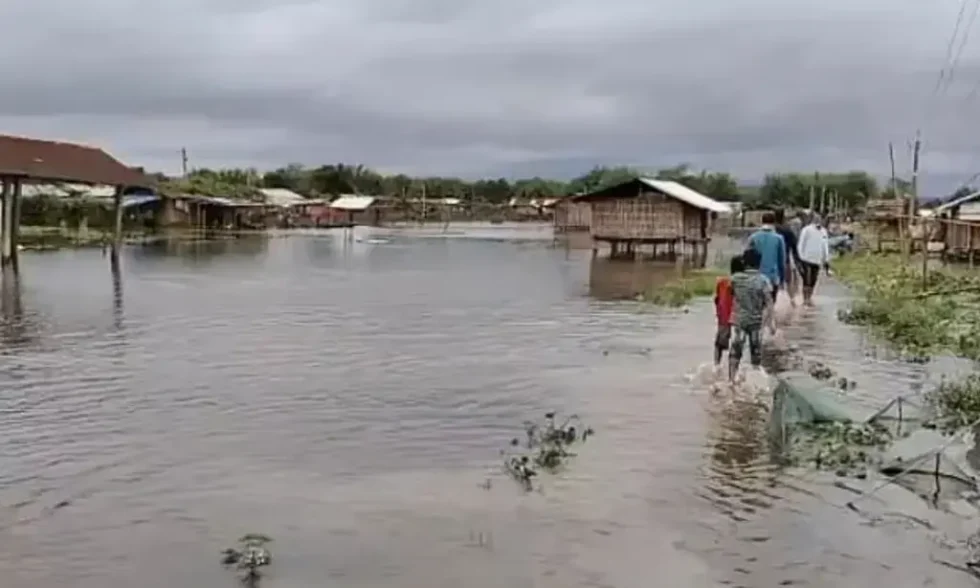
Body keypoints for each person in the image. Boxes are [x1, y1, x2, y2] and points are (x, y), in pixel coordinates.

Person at [729, 247, 772, 380]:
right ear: (759, 263)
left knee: (736, 351)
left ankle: (731, 379)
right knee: (756, 353)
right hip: (756, 322)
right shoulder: (763, 280)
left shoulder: (735, 279)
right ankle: (755, 380)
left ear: (744, 263)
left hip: (740, 321)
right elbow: (769, 304)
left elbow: (731, 294)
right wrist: (769, 323)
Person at [747, 212, 785, 330]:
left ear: (761, 221)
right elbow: (781, 260)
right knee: (770, 303)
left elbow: (747, 257)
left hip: (755, 276)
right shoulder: (778, 239)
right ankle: (766, 327)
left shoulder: (753, 237)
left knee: (756, 305)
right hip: (772, 277)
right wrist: (782, 279)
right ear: (773, 223)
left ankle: (757, 327)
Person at [714, 254, 743, 365]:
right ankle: (733, 368)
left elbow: (717, 299)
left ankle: (716, 365)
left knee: (719, 344)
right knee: (737, 342)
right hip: (737, 315)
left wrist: (719, 314)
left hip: (724, 315)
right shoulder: (742, 284)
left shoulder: (722, 282)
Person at [796, 213, 831, 306]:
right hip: (806, 259)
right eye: (816, 219)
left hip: (817, 259)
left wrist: (826, 259)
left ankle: (809, 297)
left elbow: (825, 246)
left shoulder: (823, 231)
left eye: (820, 219)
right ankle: (805, 299)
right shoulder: (806, 230)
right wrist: (801, 257)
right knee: (806, 280)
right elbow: (801, 244)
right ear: (812, 219)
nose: (818, 220)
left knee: (813, 280)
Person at [773, 208, 801, 306]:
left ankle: (773, 302)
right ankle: (792, 300)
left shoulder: (773, 230)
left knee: (772, 282)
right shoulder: (787, 230)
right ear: (784, 216)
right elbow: (794, 245)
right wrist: (797, 258)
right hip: (785, 259)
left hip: (772, 259)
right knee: (788, 280)